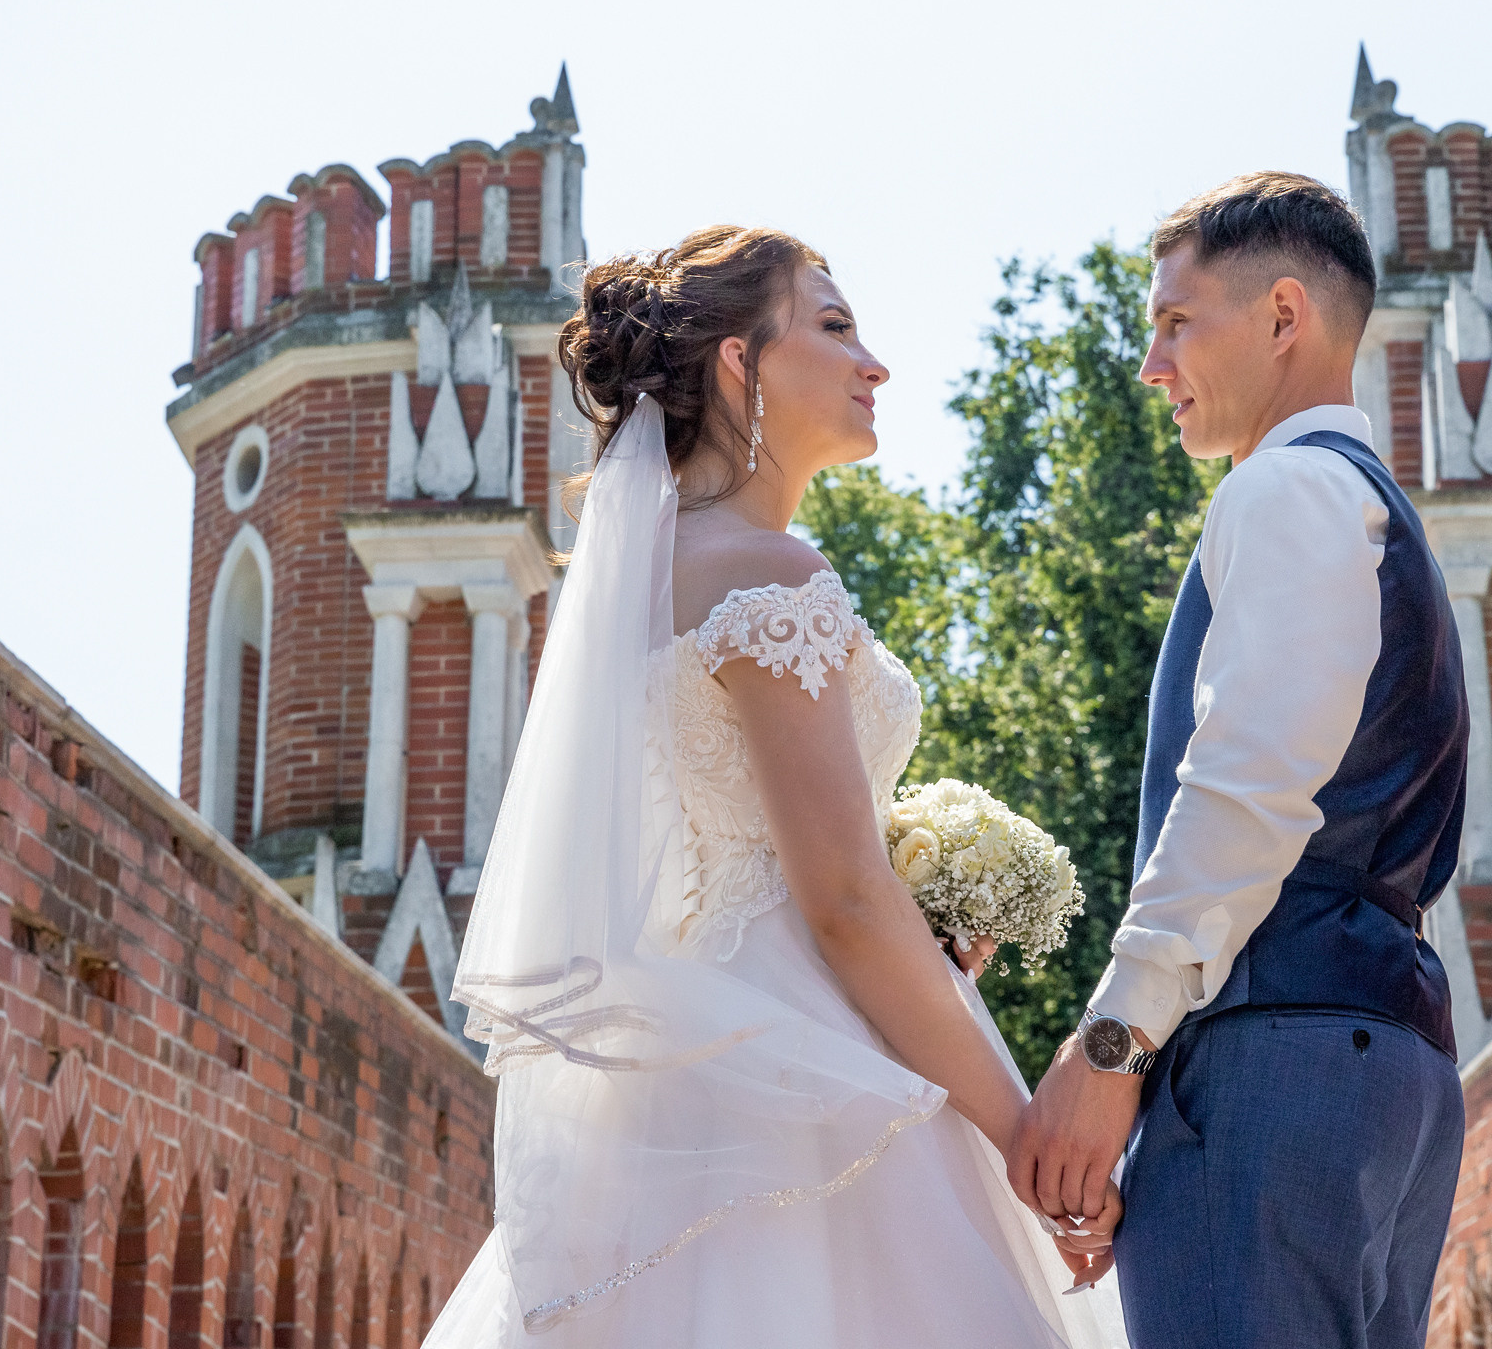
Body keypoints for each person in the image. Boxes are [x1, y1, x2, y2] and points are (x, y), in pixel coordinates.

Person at [424, 226, 1127, 1348]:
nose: (875, 363)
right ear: (739, 365)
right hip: (815, 1076)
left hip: (684, 1073)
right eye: (835, 326)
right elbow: (845, 905)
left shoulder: (645, 579)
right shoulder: (769, 571)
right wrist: (1024, 1139)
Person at [1005, 174, 1471, 1349]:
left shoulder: (1289, 486)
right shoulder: (1371, 509)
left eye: (1175, 323)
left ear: (1280, 317)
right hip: (1389, 1057)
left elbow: (1249, 787)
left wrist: (1112, 1046)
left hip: (1277, 1057)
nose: (1152, 365)